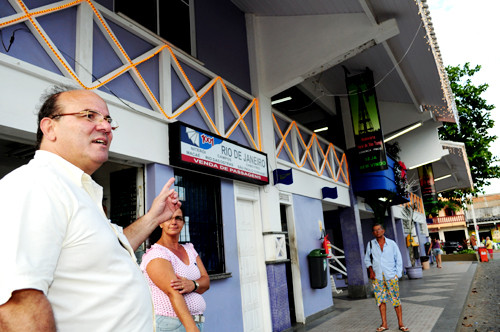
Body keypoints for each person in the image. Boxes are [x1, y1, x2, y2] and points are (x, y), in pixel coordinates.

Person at [0, 87, 181, 331]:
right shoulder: (35, 184)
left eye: (107, 120)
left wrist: (154, 218)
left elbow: (109, 250)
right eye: (88, 115)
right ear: (49, 127)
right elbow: (16, 304)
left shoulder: (78, 190)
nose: (105, 127)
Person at [141, 207, 209, 332]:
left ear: (183, 223)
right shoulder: (157, 254)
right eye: (168, 218)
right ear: (160, 223)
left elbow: (206, 282)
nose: (174, 222)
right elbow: (173, 293)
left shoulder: (189, 249)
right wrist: (192, 328)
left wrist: (193, 284)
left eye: (178, 218)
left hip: (195, 322)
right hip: (171, 324)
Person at [365, 223, 409, 332]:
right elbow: (367, 259)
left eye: (379, 229)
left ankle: (401, 324)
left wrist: (397, 275)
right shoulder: (370, 244)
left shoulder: (392, 244)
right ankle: (384, 324)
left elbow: (398, 259)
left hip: (391, 276)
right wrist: (370, 270)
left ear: (383, 231)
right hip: (377, 277)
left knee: (396, 300)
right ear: (373, 233)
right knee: (381, 301)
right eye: (375, 230)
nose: (377, 231)